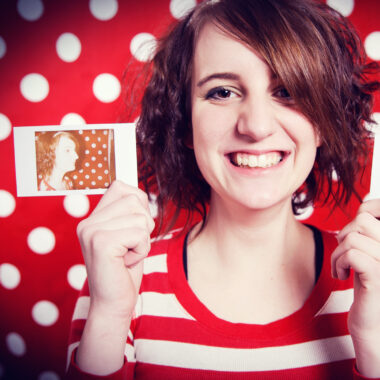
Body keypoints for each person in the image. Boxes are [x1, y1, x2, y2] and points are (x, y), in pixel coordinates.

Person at [66, 0, 380, 378]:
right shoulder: (121, 276)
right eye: (222, 92)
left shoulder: (371, 278)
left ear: (322, 123)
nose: (256, 126)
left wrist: (373, 340)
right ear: (184, 123)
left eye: (287, 90)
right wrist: (110, 314)